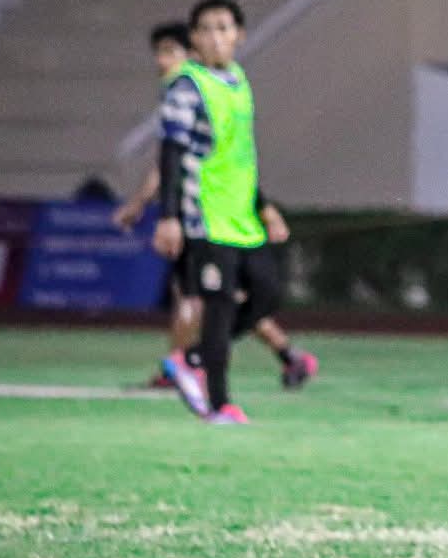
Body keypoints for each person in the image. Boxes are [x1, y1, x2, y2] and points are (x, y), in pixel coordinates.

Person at [115, 21, 316, 392]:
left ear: (192, 54)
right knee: (224, 296)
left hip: (202, 217)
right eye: (158, 52)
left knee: (192, 297)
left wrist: (144, 205)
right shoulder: (203, 91)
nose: (161, 61)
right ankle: (289, 356)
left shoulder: (192, 91)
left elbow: (176, 161)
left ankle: (179, 369)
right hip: (219, 215)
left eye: (170, 52)